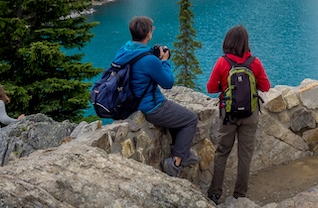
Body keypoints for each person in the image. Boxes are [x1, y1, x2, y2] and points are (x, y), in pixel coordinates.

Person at [114, 15, 199, 176]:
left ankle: (183, 153)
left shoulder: (124, 50)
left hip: (131, 103)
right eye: (151, 29)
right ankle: (175, 162)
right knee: (190, 119)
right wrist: (164, 61)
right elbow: (168, 83)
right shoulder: (149, 60)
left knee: (179, 117)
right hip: (152, 107)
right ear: (148, 34)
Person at [206, 25, 270, 204]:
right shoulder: (254, 62)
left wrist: (227, 89)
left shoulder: (222, 62)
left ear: (228, 41)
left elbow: (210, 87)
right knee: (245, 155)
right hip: (250, 115)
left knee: (222, 153)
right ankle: (240, 195)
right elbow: (265, 86)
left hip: (228, 115)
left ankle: (214, 193)